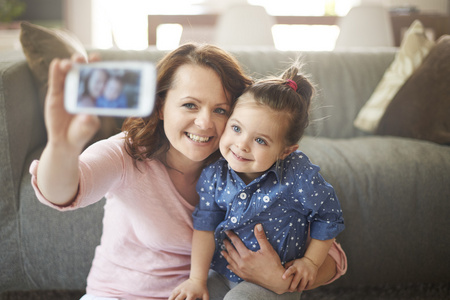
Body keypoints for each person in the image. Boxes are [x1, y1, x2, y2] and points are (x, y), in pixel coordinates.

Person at [29, 43, 346, 300]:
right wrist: (61, 146)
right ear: (160, 105)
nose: (205, 123)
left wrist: (280, 281)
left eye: (220, 110)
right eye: (190, 105)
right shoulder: (126, 152)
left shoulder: (247, 164)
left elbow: (333, 257)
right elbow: (63, 191)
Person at [170, 63, 345, 300]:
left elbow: (328, 215)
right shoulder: (215, 174)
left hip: (273, 283)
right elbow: (205, 225)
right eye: (236, 128)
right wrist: (196, 280)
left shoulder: (297, 175)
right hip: (223, 272)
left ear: (286, 151)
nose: (242, 144)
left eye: (260, 140)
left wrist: (310, 263)